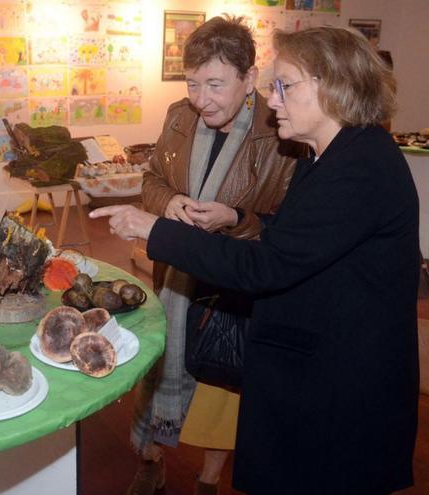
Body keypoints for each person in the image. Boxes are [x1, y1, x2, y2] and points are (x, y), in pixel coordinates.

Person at [93, 26, 420, 494]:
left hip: (342, 387)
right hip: (316, 370)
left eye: (284, 85)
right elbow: (289, 240)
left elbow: (266, 265)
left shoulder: (359, 169)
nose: (275, 99)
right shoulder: (327, 157)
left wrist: (152, 229)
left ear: (331, 87)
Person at [126, 16, 300, 495]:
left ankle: (207, 480)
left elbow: (287, 231)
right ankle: (151, 458)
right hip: (174, 277)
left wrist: (234, 218)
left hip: (233, 290)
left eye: (216, 84)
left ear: (249, 78)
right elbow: (151, 181)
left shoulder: (281, 133)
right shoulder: (179, 116)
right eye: (193, 82)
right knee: (159, 370)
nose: (201, 98)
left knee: (222, 389)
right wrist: (168, 204)